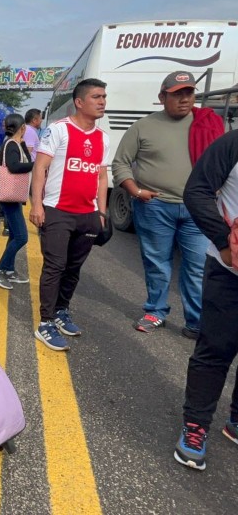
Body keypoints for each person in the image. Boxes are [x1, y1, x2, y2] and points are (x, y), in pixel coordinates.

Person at [112, 71, 221, 338]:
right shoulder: (143, 126)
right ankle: (156, 311)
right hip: (155, 207)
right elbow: (120, 163)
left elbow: (224, 163)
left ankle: (196, 321)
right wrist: (136, 191)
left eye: (189, 93)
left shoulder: (207, 123)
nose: (184, 99)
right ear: (162, 97)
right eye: (177, 94)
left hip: (198, 209)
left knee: (196, 267)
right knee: (157, 263)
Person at [173, 130, 238, 471]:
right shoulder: (232, 145)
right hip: (230, 272)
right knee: (215, 350)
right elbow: (197, 192)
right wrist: (224, 242)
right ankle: (195, 425)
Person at [29, 78, 109, 352]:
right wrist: (37, 205)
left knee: (73, 269)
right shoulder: (58, 130)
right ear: (79, 102)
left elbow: (101, 176)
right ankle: (46, 322)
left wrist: (102, 213)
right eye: (96, 97)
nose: (102, 102)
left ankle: (62, 311)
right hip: (57, 210)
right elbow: (40, 168)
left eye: (104, 97)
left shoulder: (103, 138)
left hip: (87, 215)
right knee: (55, 266)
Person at [0, 113, 34, 290]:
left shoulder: (14, 144)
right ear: (22, 128)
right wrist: (36, 166)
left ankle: (9, 270)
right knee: (22, 237)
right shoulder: (11, 145)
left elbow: (27, 160)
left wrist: (22, 142)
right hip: (10, 195)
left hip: (13, 195)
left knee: (15, 235)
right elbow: (14, 167)